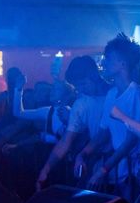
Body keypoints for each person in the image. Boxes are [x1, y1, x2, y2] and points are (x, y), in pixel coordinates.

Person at [75, 33, 140, 200]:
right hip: (119, 170)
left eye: (108, 59)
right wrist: (82, 154)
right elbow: (102, 133)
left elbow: (131, 140)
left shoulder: (137, 93)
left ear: (122, 64)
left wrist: (104, 169)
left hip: (136, 172)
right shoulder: (111, 94)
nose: (103, 63)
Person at [37, 55, 110, 191]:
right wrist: (46, 169)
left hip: (127, 166)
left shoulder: (116, 93)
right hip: (98, 167)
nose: (81, 90)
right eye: (78, 86)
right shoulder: (81, 103)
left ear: (94, 75)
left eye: (83, 84)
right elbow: (66, 141)